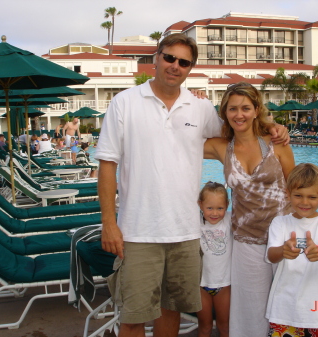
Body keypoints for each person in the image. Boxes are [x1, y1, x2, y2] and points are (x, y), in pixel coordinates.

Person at [94, 33, 291, 337]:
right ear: (156, 59)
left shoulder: (199, 108)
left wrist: (273, 127)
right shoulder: (125, 103)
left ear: (190, 67)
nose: (175, 65)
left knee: (171, 310)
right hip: (137, 230)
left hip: (186, 232)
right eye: (169, 57)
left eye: (183, 62)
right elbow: (107, 164)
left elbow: (236, 131)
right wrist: (109, 221)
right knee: (133, 317)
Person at [203, 82, 295, 337]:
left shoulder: (276, 143)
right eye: (232, 109)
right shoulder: (222, 147)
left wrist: (273, 126)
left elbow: (296, 189)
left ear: (256, 109)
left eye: (245, 108)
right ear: (225, 113)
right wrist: (197, 103)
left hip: (284, 237)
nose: (239, 114)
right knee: (249, 311)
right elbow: (180, 139)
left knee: (289, 304)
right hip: (246, 241)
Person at [265, 163, 318, 336]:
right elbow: (272, 256)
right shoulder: (280, 222)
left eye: (312, 197)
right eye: (298, 195)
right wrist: (283, 250)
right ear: (288, 194)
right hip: (284, 307)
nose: (304, 202)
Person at [197, 182, 232, 337]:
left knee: (224, 326)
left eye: (220, 208)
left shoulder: (230, 221)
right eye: (209, 208)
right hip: (201, 285)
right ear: (200, 205)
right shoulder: (195, 222)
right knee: (204, 327)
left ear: (227, 206)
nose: (215, 213)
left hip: (223, 285)